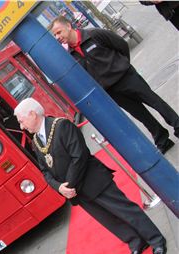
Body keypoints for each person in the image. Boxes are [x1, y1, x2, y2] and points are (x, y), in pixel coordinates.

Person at [14, 98, 167, 254]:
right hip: (76, 191)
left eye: (21, 121)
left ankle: (156, 240)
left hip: (92, 180)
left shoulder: (62, 126)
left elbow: (79, 156)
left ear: (32, 114)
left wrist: (69, 186)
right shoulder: (36, 141)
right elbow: (44, 171)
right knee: (108, 219)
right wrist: (59, 188)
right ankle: (136, 242)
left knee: (125, 211)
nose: (22, 127)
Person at [49, 16, 179, 154]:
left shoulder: (93, 34)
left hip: (127, 78)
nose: (57, 37)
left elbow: (121, 44)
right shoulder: (71, 55)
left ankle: (177, 125)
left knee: (155, 102)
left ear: (68, 26)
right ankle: (162, 140)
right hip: (112, 91)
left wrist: (122, 65)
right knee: (141, 115)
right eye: (55, 35)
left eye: (59, 32)